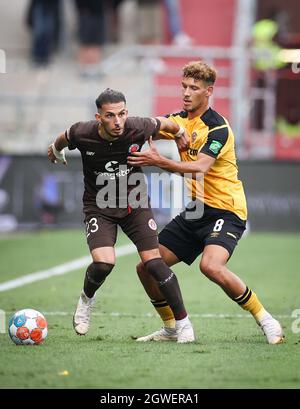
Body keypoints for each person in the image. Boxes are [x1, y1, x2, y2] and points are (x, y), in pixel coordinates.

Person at [128, 61, 284, 345]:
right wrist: (122, 127)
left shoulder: (218, 128)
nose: (186, 93)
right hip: (198, 210)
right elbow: (146, 126)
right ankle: (170, 328)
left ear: (208, 92)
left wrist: (159, 161)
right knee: (147, 266)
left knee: (211, 266)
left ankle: (266, 320)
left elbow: (200, 167)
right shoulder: (179, 121)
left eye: (194, 88)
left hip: (227, 209)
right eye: (184, 86)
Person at [47, 88, 195, 343]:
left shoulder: (139, 126)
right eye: (110, 116)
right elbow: (63, 138)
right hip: (99, 207)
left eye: (122, 114)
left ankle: (183, 325)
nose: (118, 122)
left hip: (135, 205)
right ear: (99, 117)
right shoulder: (83, 132)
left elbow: (168, 123)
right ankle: (86, 299)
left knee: (155, 264)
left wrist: (180, 133)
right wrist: (56, 150)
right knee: (104, 264)